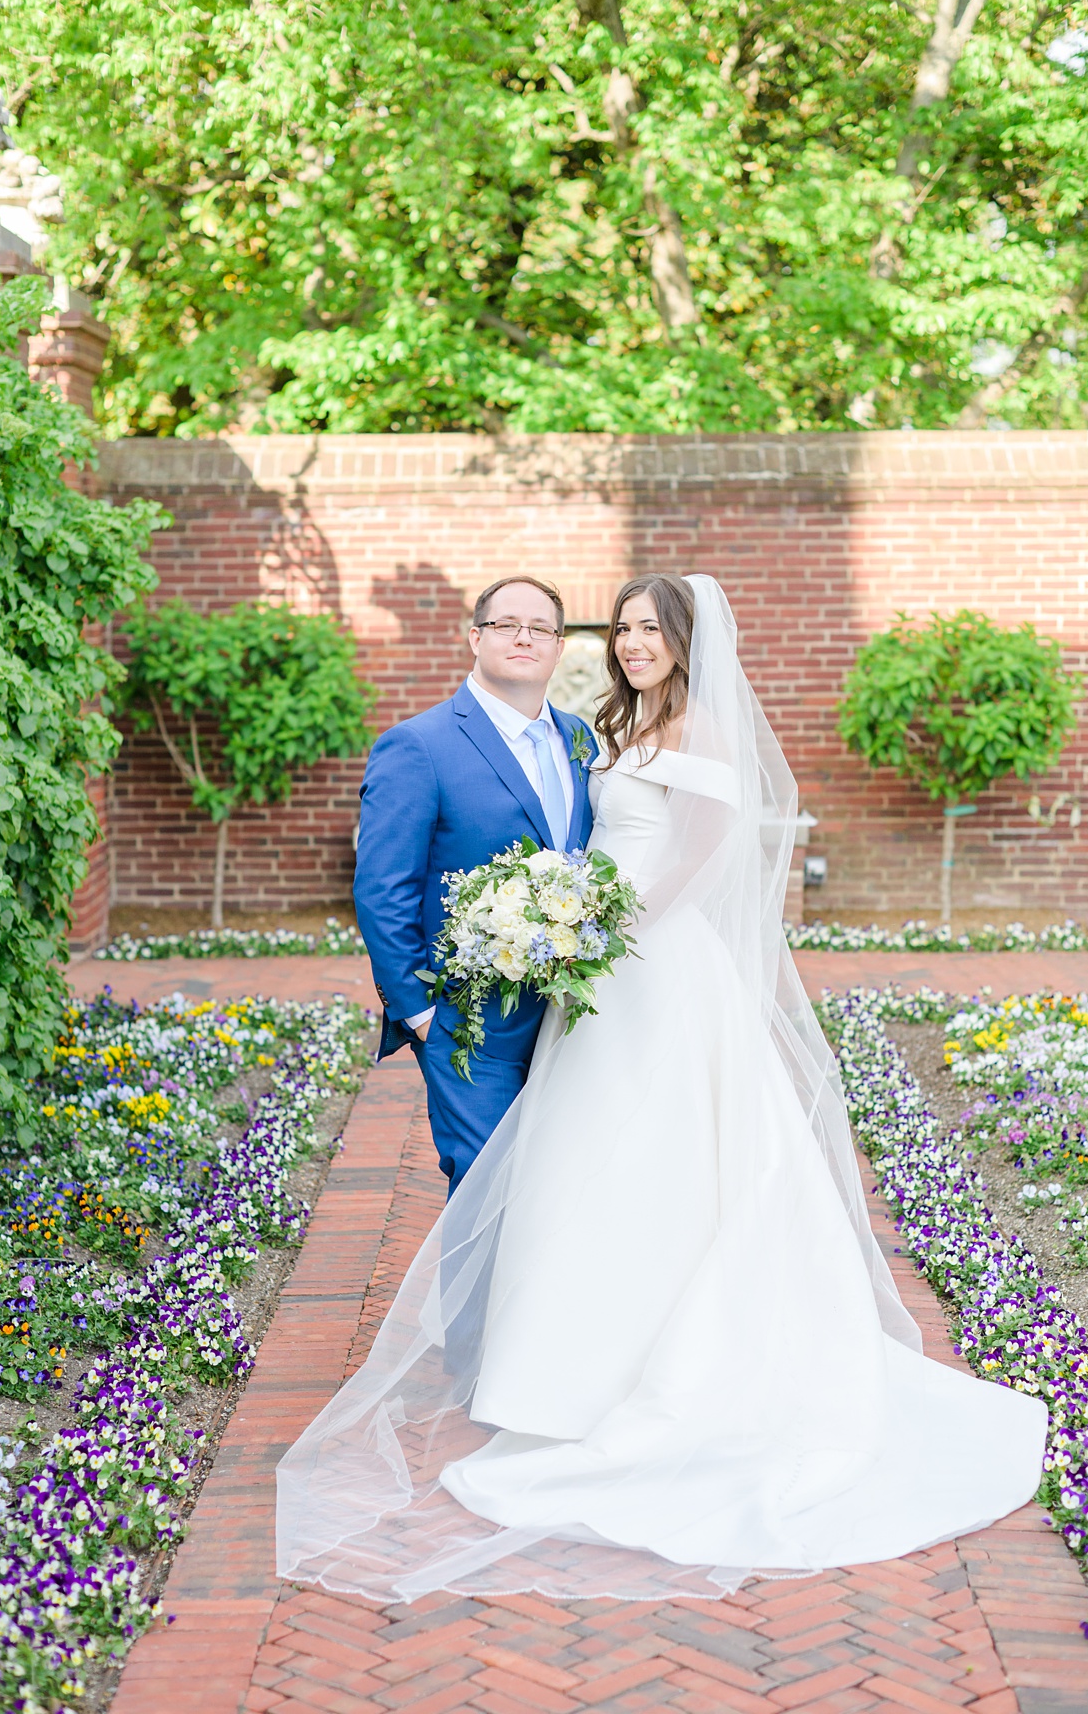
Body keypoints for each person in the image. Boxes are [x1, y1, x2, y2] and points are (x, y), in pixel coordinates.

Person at [277, 572, 1045, 1602]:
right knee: (579, 1167)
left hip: (647, 974)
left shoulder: (682, 737)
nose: (633, 643)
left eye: (648, 628)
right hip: (574, 983)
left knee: (656, 1159)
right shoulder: (598, 732)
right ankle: (557, 1367)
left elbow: (698, 853)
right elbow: (410, 880)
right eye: (623, 627)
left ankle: (642, 1374)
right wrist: (458, 988)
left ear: (685, 642)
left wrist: (594, 932)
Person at [354, 575, 598, 1196]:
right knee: (488, 1190)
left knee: (562, 1191)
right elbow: (383, 890)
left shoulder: (579, 739)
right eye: (506, 625)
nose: (524, 637)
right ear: (475, 638)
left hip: (573, 1017)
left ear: (559, 646)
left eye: (541, 628)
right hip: (468, 1023)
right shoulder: (418, 745)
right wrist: (419, 1012)